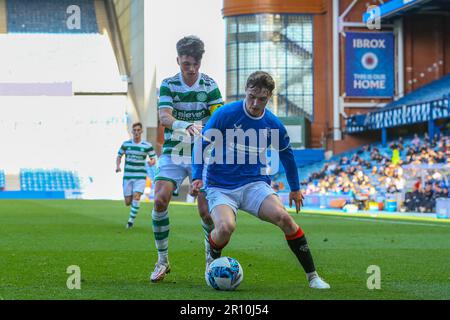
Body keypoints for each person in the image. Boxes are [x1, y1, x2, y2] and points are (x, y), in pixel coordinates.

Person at [191, 71, 330, 289]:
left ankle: (313, 277)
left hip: (254, 183)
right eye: (251, 97)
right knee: (226, 227)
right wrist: (197, 176)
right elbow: (201, 144)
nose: (255, 103)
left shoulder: (272, 123)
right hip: (221, 186)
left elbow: (287, 154)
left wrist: (295, 188)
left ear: (269, 97)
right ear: (245, 92)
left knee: (285, 219)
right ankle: (213, 252)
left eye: (262, 99)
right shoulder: (226, 113)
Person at [150, 36, 224, 282]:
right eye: (185, 64)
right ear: (178, 61)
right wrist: (186, 125)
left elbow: (218, 118)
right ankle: (162, 261)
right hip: (174, 151)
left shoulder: (209, 86)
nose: (190, 69)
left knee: (205, 212)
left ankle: (211, 262)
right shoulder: (168, 84)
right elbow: (164, 117)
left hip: (201, 154)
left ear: (200, 62)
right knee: (159, 200)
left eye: (194, 64)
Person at [116, 122, 156, 228]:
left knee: (137, 196)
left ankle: (130, 222)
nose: (137, 132)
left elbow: (153, 158)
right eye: (135, 130)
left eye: (139, 130)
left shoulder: (147, 146)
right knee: (128, 202)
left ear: (141, 131)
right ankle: (132, 212)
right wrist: (118, 166)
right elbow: (119, 155)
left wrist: (152, 162)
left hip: (140, 176)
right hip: (128, 175)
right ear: (132, 131)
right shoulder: (126, 144)